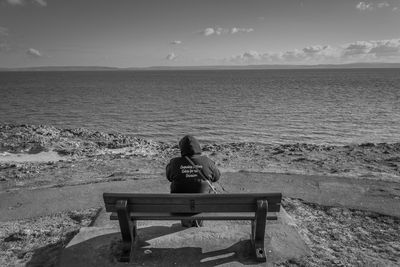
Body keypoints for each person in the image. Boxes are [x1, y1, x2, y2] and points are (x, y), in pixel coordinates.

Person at [166, 135, 220, 227]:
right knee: (203, 191)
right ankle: (197, 223)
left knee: (183, 192)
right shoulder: (206, 161)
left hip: (179, 206)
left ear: (182, 148)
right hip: (202, 205)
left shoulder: (174, 162)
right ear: (198, 147)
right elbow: (216, 177)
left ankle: (187, 223)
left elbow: (169, 177)